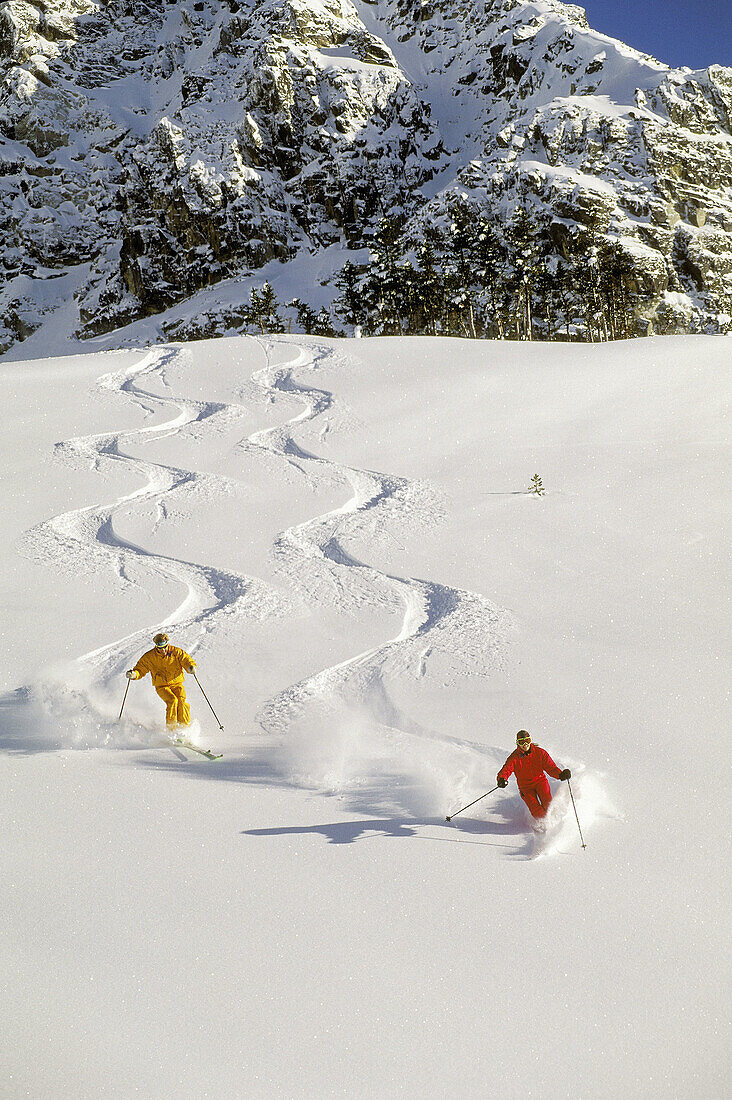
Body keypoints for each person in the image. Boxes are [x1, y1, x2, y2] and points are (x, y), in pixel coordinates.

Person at [126, 632, 197, 728]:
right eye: (160, 648)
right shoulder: (150, 657)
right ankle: (172, 729)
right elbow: (140, 669)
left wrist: (190, 667)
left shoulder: (176, 652)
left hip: (177, 683)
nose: (163, 650)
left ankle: (184, 727)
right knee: (172, 701)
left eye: (165, 647)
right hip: (162, 686)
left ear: (167, 644)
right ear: (156, 646)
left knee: (181, 701)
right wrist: (134, 674)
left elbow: (186, 660)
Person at [497, 730, 571, 819]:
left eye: (527, 741)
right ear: (517, 744)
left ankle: (553, 821)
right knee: (536, 810)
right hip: (525, 787)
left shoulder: (540, 753)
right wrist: (502, 779)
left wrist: (561, 774)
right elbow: (506, 769)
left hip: (540, 781)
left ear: (530, 740)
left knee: (548, 805)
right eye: (521, 742)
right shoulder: (514, 757)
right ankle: (544, 824)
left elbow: (550, 767)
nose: (525, 744)